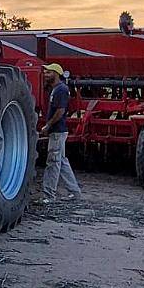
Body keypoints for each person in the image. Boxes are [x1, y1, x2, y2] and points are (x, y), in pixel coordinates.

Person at [39, 63, 81, 203]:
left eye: (48, 72)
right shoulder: (56, 89)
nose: (45, 74)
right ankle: (74, 192)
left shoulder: (61, 90)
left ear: (56, 74)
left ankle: (49, 195)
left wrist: (48, 126)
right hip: (58, 131)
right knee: (62, 161)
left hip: (57, 131)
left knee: (53, 162)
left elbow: (60, 111)